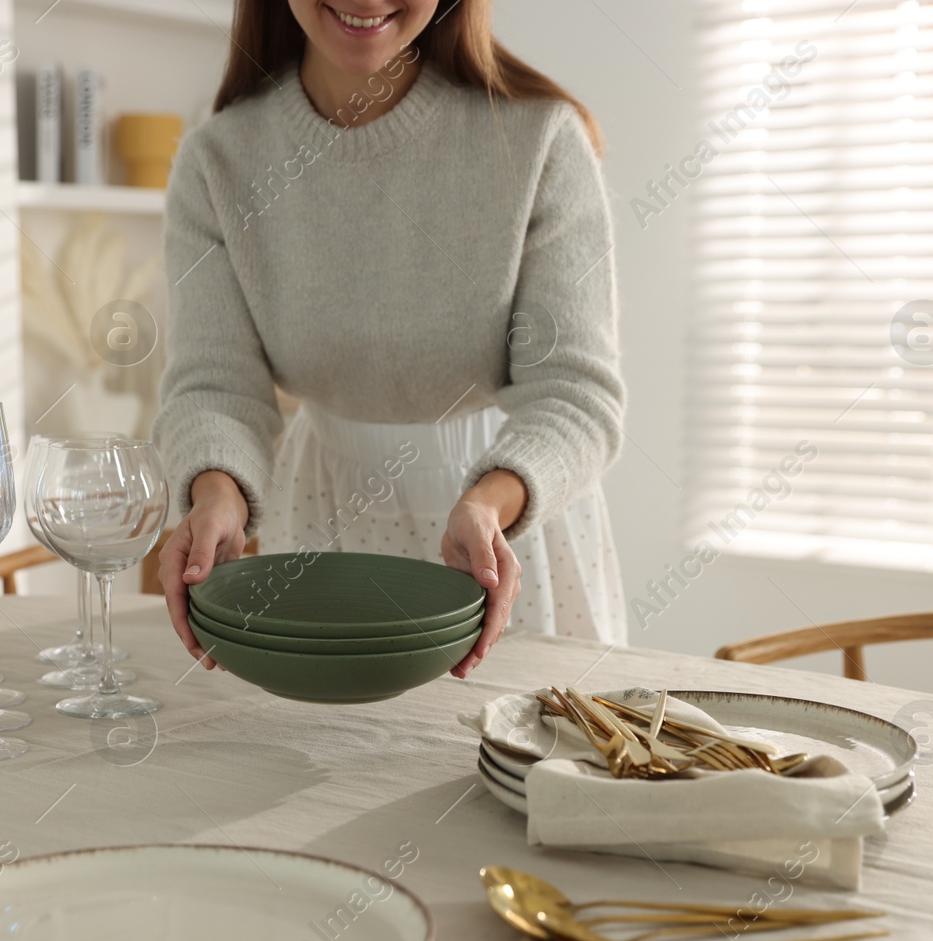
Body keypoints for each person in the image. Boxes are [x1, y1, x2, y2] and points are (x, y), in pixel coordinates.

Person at [154, 0, 627, 679]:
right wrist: (216, 490)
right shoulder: (218, 161)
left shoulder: (538, 141)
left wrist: (490, 502)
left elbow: (577, 394)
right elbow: (214, 385)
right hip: (320, 518)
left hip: (506, 529)